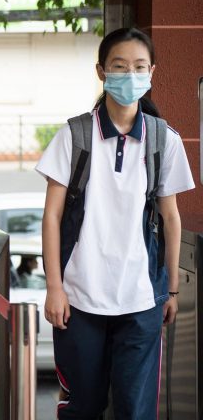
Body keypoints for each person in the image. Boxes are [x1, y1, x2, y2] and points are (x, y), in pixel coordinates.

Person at [36, 27, 194, 419]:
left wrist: (170, 290)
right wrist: (54, 288)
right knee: (83, 407)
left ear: (152, 72)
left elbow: (170, 217)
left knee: (134, 409)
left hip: (141, 299)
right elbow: (52, 216)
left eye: (140, 67)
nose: (130, 75)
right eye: (120, 67)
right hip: (79, 299)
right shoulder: (74, 136)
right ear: (102, 71)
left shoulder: (163, 139)